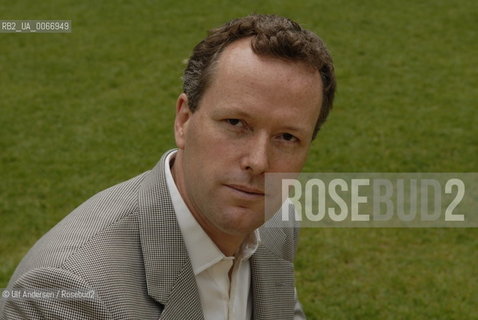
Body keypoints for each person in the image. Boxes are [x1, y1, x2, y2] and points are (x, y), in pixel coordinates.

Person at [0, 14, 335, 320]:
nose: (259, 162)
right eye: (236, 123)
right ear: (184, 120)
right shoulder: (66, 292)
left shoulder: (276, 219)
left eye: (287, 137)